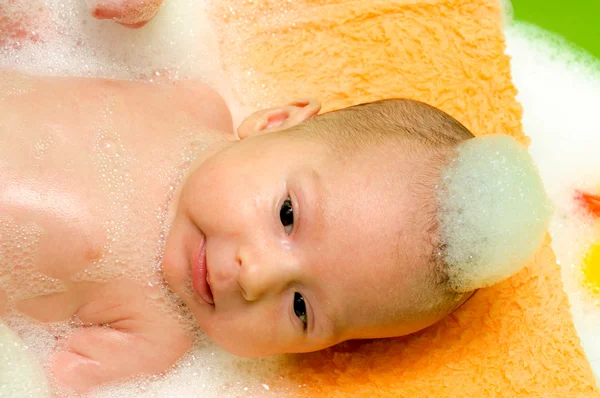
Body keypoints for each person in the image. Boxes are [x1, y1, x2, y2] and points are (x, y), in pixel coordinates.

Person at [0, 69, 480, 393]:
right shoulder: (191, 102)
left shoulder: (153, 337)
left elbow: (38, 378)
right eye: (288, 216)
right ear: (274, 122)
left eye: (300, 308)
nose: (258, 277)